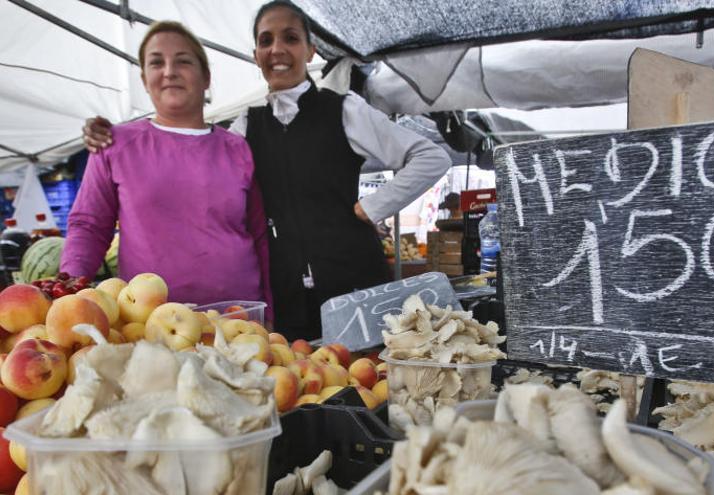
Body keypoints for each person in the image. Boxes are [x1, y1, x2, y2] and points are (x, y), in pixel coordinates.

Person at [83, 1, 450, 341]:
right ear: (256, 55)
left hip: (353, 281)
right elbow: (197, 166)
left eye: (290, 39)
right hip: (285, 296)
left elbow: (431, 158)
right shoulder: (243, 129)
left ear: (311, 51)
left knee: (367, 383)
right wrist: (108, 135)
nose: (277, 49)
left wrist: (372, 207)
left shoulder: (344, 110)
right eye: (266, 40)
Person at [65, 21, 273, 317]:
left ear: (206, 77)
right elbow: (89, 226)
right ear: (144, 78)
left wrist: (268, 313)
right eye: (156, 62)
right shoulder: (115, 144)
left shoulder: (237, 148)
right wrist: (69, 293)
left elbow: (259, 235)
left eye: (183, 61)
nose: (169, 71)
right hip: (151, 326)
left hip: (238, 317)